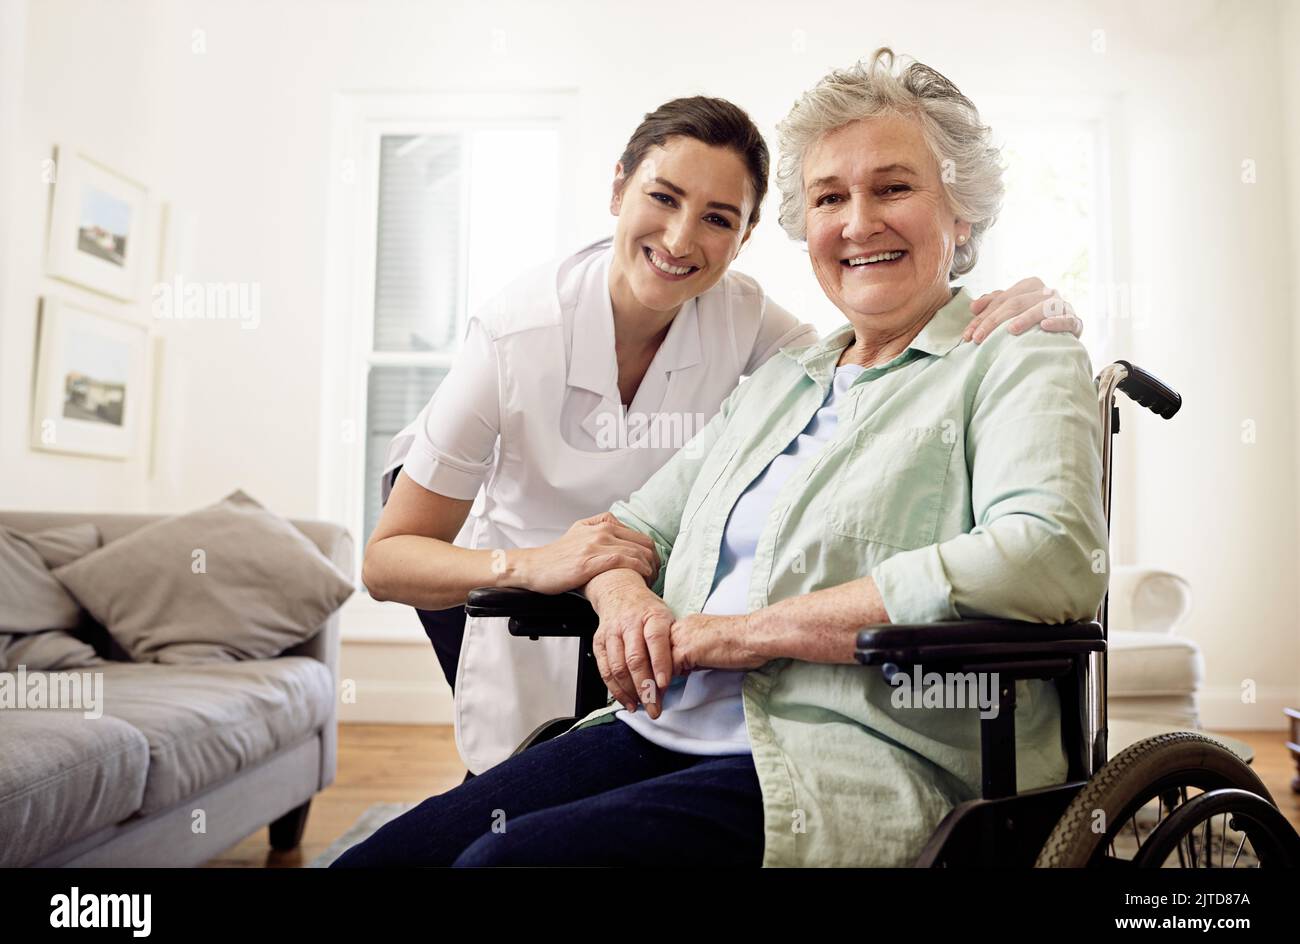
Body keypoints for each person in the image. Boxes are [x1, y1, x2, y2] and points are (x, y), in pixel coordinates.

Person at [366, 93, 1085, 778]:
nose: (681, 239)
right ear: (618, 188)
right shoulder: (512, 334)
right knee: (496, 779)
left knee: (542, 814)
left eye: (717, 217)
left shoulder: (756, 328)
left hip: (636, 577)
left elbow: (871, 355)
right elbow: (389, 561)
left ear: (744, 238)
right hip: (493, 551)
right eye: (663, 196)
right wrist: (533, 564)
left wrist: (1039, 304)